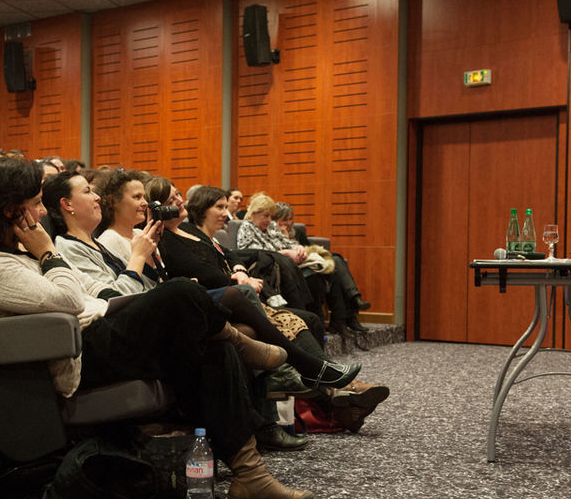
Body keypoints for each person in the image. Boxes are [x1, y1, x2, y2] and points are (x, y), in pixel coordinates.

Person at [0, 157, 313, 499]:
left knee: (209, 345)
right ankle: (238, 340)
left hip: (99, 330)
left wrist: (135, 305)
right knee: (180, 291)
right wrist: (48, 251)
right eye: (36, 203)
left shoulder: (23, 253)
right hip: (76, 357)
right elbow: (70, 300)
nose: (42, 214)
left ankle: (250, 476)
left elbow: (93, 297)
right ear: (10, 211)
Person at [43, 172, 363, 448]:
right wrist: (142, 258)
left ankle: (296, 406)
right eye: (88, 191)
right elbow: (118, 301)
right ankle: (298, 387)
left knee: (291, 319)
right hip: (120, 334)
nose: (95, 195)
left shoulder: (117, 242)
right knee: (234, 308)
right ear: (67, 204)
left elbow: (147, 289)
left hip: (155, 316)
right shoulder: (81, 247)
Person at [156, 183, 388, 433]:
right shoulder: (168, 238)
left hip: (235, 293)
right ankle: (335, 387)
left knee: (309, 319)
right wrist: (236, 278)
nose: (180, 200)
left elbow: (229, 255)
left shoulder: (190, 230)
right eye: (172, 198)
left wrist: (239, 269)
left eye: (179, 194)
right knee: (287, 316)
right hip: (217, 301)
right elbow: (204, 273)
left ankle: (333, 396)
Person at [275, 201, 372, 327]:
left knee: (336, 261)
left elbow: (309, 248)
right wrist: (285, 238)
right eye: (284, 220)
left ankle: (344, 317)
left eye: (290, 219)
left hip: (309, 262)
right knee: (336, 262)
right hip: (296, 268)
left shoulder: (297, 231)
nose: (288, 223)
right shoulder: (272, 233)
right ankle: (350, 307)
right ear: (275, 219)